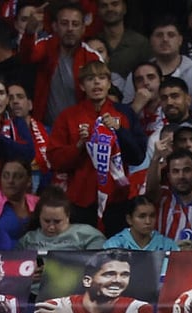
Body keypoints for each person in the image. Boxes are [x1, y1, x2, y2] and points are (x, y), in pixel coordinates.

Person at [47, 60, 146, 235]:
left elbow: (137, 156)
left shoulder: (124, 114)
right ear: (82, 86)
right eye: (90, 78)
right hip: (81, 202)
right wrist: (78, 146)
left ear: (109, 84)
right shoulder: (68, 116)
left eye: (102, 78)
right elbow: (55, 160)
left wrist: (119, 131)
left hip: (117, 200)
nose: (97, 82)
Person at [34, 249, 153, 313]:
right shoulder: (54, 308)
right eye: (109, 274)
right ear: (87, 281)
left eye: (124, 275)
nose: (118, 280)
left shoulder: (139, 310)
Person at [17, 3, 102, 125]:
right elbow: (26, 57)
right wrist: (30, 32)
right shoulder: (46, 46)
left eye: (75, 24)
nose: (70, 29)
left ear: (83, 28)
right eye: (64, 23)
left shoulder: (92, 57)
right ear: (55, 26)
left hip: (79, 129)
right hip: (45, 128)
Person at [16, 186, 106, 251]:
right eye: (46, 221)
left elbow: (96, 263)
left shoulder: (88, 235)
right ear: (39, 216)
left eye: (57, 221)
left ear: (68, 216)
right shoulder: (28, 240)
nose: (51, 227)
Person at [103, 196, 180, 251]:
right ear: (129, 219)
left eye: (152, 216)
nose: (148, 221)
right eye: (142, 216)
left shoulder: (168, 246)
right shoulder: (113, 246)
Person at [97, 0, 151, 78]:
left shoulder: (140, 43)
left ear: (124, 8)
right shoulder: (92, 44)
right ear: (98, 11)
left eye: (114, 4)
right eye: (104, 6)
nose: (109, 9)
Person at [0, 158, 38, 242]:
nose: (10, 181)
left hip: (34, 253)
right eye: (5, 176)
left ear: (29, 181)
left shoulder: (39, 204)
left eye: (17, 176)